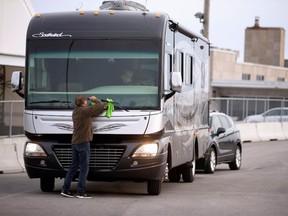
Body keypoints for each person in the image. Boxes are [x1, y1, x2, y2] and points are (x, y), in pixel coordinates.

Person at [61, 94, 107, 199]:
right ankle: (80, 192)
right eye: (86, 100)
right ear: (84, 102)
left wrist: (100, 107)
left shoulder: (76, 111)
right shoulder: (84, 111)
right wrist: (95, 99)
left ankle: (65, 189)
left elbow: (95, 111)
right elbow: (99, 106)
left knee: (73, 167)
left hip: (75, 142)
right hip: (83, 142)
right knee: (84, 168)